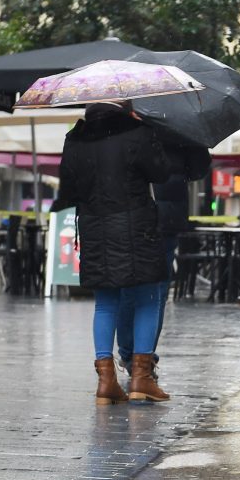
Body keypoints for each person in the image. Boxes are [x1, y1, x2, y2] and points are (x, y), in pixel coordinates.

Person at [53, 101, 172, 404]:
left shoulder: (75, 138)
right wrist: (150, 133)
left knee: (106, 302)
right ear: (124, 103)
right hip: (136, 225)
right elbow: (160, 172)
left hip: (94, 226)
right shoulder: (138, 131)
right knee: (147, 296)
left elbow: (68, 188)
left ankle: (106, 381)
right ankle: (141, 379)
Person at [114, 145, 207, 377]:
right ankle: (143, 360)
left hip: (131, 216)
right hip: (165, 219)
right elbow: (199, 168)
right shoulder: (180, 125)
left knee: (129, 287)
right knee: (158, 291)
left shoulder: (129, 120)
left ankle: (129, 355)